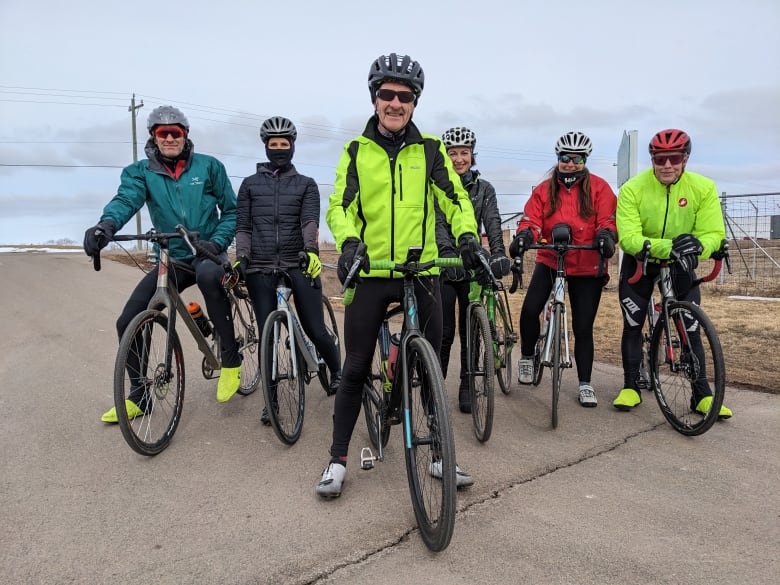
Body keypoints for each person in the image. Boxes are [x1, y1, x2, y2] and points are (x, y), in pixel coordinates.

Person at [316, 53, 487, 498]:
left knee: (430, 364)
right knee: (354, 366)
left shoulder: (430, 150)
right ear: (374, 99)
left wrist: (468, 237)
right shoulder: (356, 151)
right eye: (387, 94)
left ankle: (435, 455)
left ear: (414, 102)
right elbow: (339, 206)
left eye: (404, 96)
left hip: (423, 269)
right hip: (371, 271)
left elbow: (455, 200)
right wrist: (350, 242)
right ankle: (336, 459)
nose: (395, 103)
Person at [84, 105, 241, 422]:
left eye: (176, 132)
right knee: (127, 320)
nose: (169, 138)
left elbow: (233, 212)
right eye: (162, 133)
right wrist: (105, 227)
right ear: (153, 138)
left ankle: (231, 360)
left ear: (185, 135)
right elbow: (126, 200)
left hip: (208, 250)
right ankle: (140, 397)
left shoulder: (209, 167)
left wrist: (216, 241)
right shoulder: (140, 172)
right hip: (173, 256)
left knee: (210, 278)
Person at [612, 128, 732, 418]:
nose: (667, 165)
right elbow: (628, 237)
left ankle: (702, 394)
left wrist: (700, 244)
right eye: (660, 159)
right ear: (652, 159)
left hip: (682, 263)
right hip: (641, 261)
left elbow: (714, 233)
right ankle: (630, 386)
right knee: (633, 322)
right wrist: (672, 246)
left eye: (674, 158)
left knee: (691, 326)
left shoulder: (703, 188)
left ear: (685, 159)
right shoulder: (632, 189)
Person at [234, 116, 341, 424]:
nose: (279, 149)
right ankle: (272, 402)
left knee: (315, 328)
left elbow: (310, 221)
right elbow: (243, 226)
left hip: (298, 262)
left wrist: (310, 251)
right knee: (268, 336)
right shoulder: (249, 185)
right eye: (273, 145)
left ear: (293, 147)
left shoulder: (306, 184)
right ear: (265, 147)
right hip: (261, 267)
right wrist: (242, 257)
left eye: (284, 144)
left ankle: (338, 372)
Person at [509, 131, 617, 407]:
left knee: (583, 327)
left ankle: (585, 383)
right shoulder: (544, 190)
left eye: (577, 159)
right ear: (558, 158)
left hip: (585, 263)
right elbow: (531, 221)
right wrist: (524, 237)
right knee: (530, 309)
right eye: (565, 158)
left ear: (585, 160)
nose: (570, 164)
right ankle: (527, 356)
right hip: (550, 258)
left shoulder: (600, 188)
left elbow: (607, 219)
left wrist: (606, 236)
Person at [435, 126, 510, 413]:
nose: (458, 159)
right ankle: (436, 388)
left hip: (473, 262)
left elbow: (492, 221)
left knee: (471, 330)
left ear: (472, 156)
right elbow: (438, 223)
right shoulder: (438, 186)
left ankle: (467, 385)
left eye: (464, 153)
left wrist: (499, 254)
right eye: (452, 153)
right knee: (444, 332)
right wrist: (446, 253)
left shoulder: (484, 189)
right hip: (445, 264)